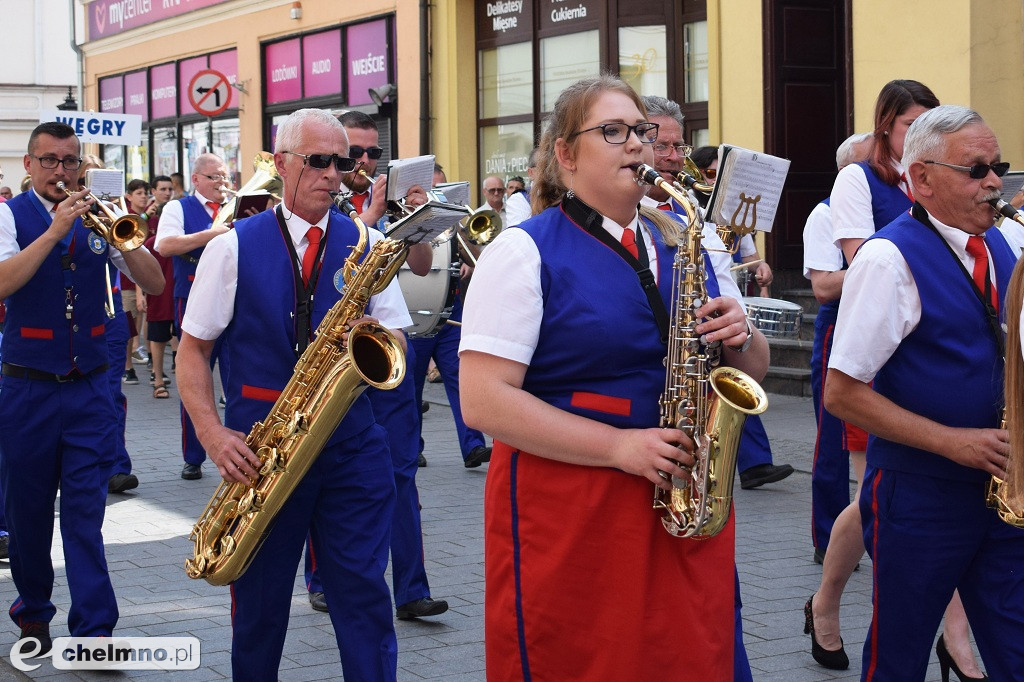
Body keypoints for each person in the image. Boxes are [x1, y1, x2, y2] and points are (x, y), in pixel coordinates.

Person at [459, 75, 769, 681]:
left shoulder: (687, 240)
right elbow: (482, 402)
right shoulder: (522, 252)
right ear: (567, 156)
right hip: (575, 514)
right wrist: (619, 446)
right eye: (614, 131)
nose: (637, 146)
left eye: (642, 133)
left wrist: (743, 334)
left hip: (684, 496)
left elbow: (750, 371)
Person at [177, 108, 405, 680]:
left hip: (352, 448)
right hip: (264, 456)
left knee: (364, 599)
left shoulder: (369, 244)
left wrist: (372, 336)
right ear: (281, 165)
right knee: (258, 611)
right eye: (319, 161)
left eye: (343, 161)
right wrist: (211, 433)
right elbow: (192, 351)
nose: (334, 174)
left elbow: (395, 334)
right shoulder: (230, 248)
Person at [825, 104, 1020, 680]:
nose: (993, 182)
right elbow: (841, 393)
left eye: (998, 167)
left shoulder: (1003, 244)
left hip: (1003, 487)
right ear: (923, 179)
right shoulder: (887, 259)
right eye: (976, 169)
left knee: (1015, 645)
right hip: (921, 492)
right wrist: (951, 442)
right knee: (900, 653)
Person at [0, 121, 163, 656]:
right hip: (27, 388)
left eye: (70, 162)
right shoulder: (8, 214)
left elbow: (155, 282)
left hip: (89, 386)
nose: (60, 171)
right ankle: (33, 613)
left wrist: (121, 229)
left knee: (85, 514)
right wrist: (52, 229)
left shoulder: (101, 217)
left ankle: (94, 629)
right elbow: (3, 281)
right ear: (28, 166)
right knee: (26, 514)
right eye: (49, 161)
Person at [298, 110, 446, 622]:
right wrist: (370, 217)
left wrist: (415, 220)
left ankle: (411, 588)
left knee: (401, 475)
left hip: (387, 347)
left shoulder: (382, 204)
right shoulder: (321, 202)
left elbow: (423, 265)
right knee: (322, 472)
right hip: (335, 359)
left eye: (371, 154)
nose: (362, 163)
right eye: (350, 155)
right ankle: (320, 579)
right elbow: (332, 270)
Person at [641, 95, 793, 492]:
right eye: (662, 147)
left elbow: (753, 367)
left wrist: (741, 333)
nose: (674, 158)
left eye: (679, 147)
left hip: (695, 425)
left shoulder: (697, 222)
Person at [802, 132, 873, 562]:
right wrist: (881, 266)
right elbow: (824, 287)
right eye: (867, 167)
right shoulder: (824, 214)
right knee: (832, 434)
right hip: (839, 324)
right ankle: (827, 537)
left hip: (878, 322)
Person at [154, 153, 230, 480]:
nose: (221, 184)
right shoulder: (177, 208)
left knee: (239, 377)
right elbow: (165, 245)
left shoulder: (238, 203)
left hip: (236, 298)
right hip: (193, 298)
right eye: (214, 177)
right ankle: (193, 456)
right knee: (194, 377)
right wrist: (214, 234)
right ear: (196, 179)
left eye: (224, 177)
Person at [691, 145, 773, 296]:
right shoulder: (687, 202)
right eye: (710, 173)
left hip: (731, 291)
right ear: (695, 175)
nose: (717, 179)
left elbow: (749, 256)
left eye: (723, 174)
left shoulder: (736, 205)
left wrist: (761, 266)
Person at [505, 148, 538, 228]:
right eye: (545, 167)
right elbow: (519, 235)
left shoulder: (565, 195)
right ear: (531, 173)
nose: (551, 172)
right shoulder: (519, 199)